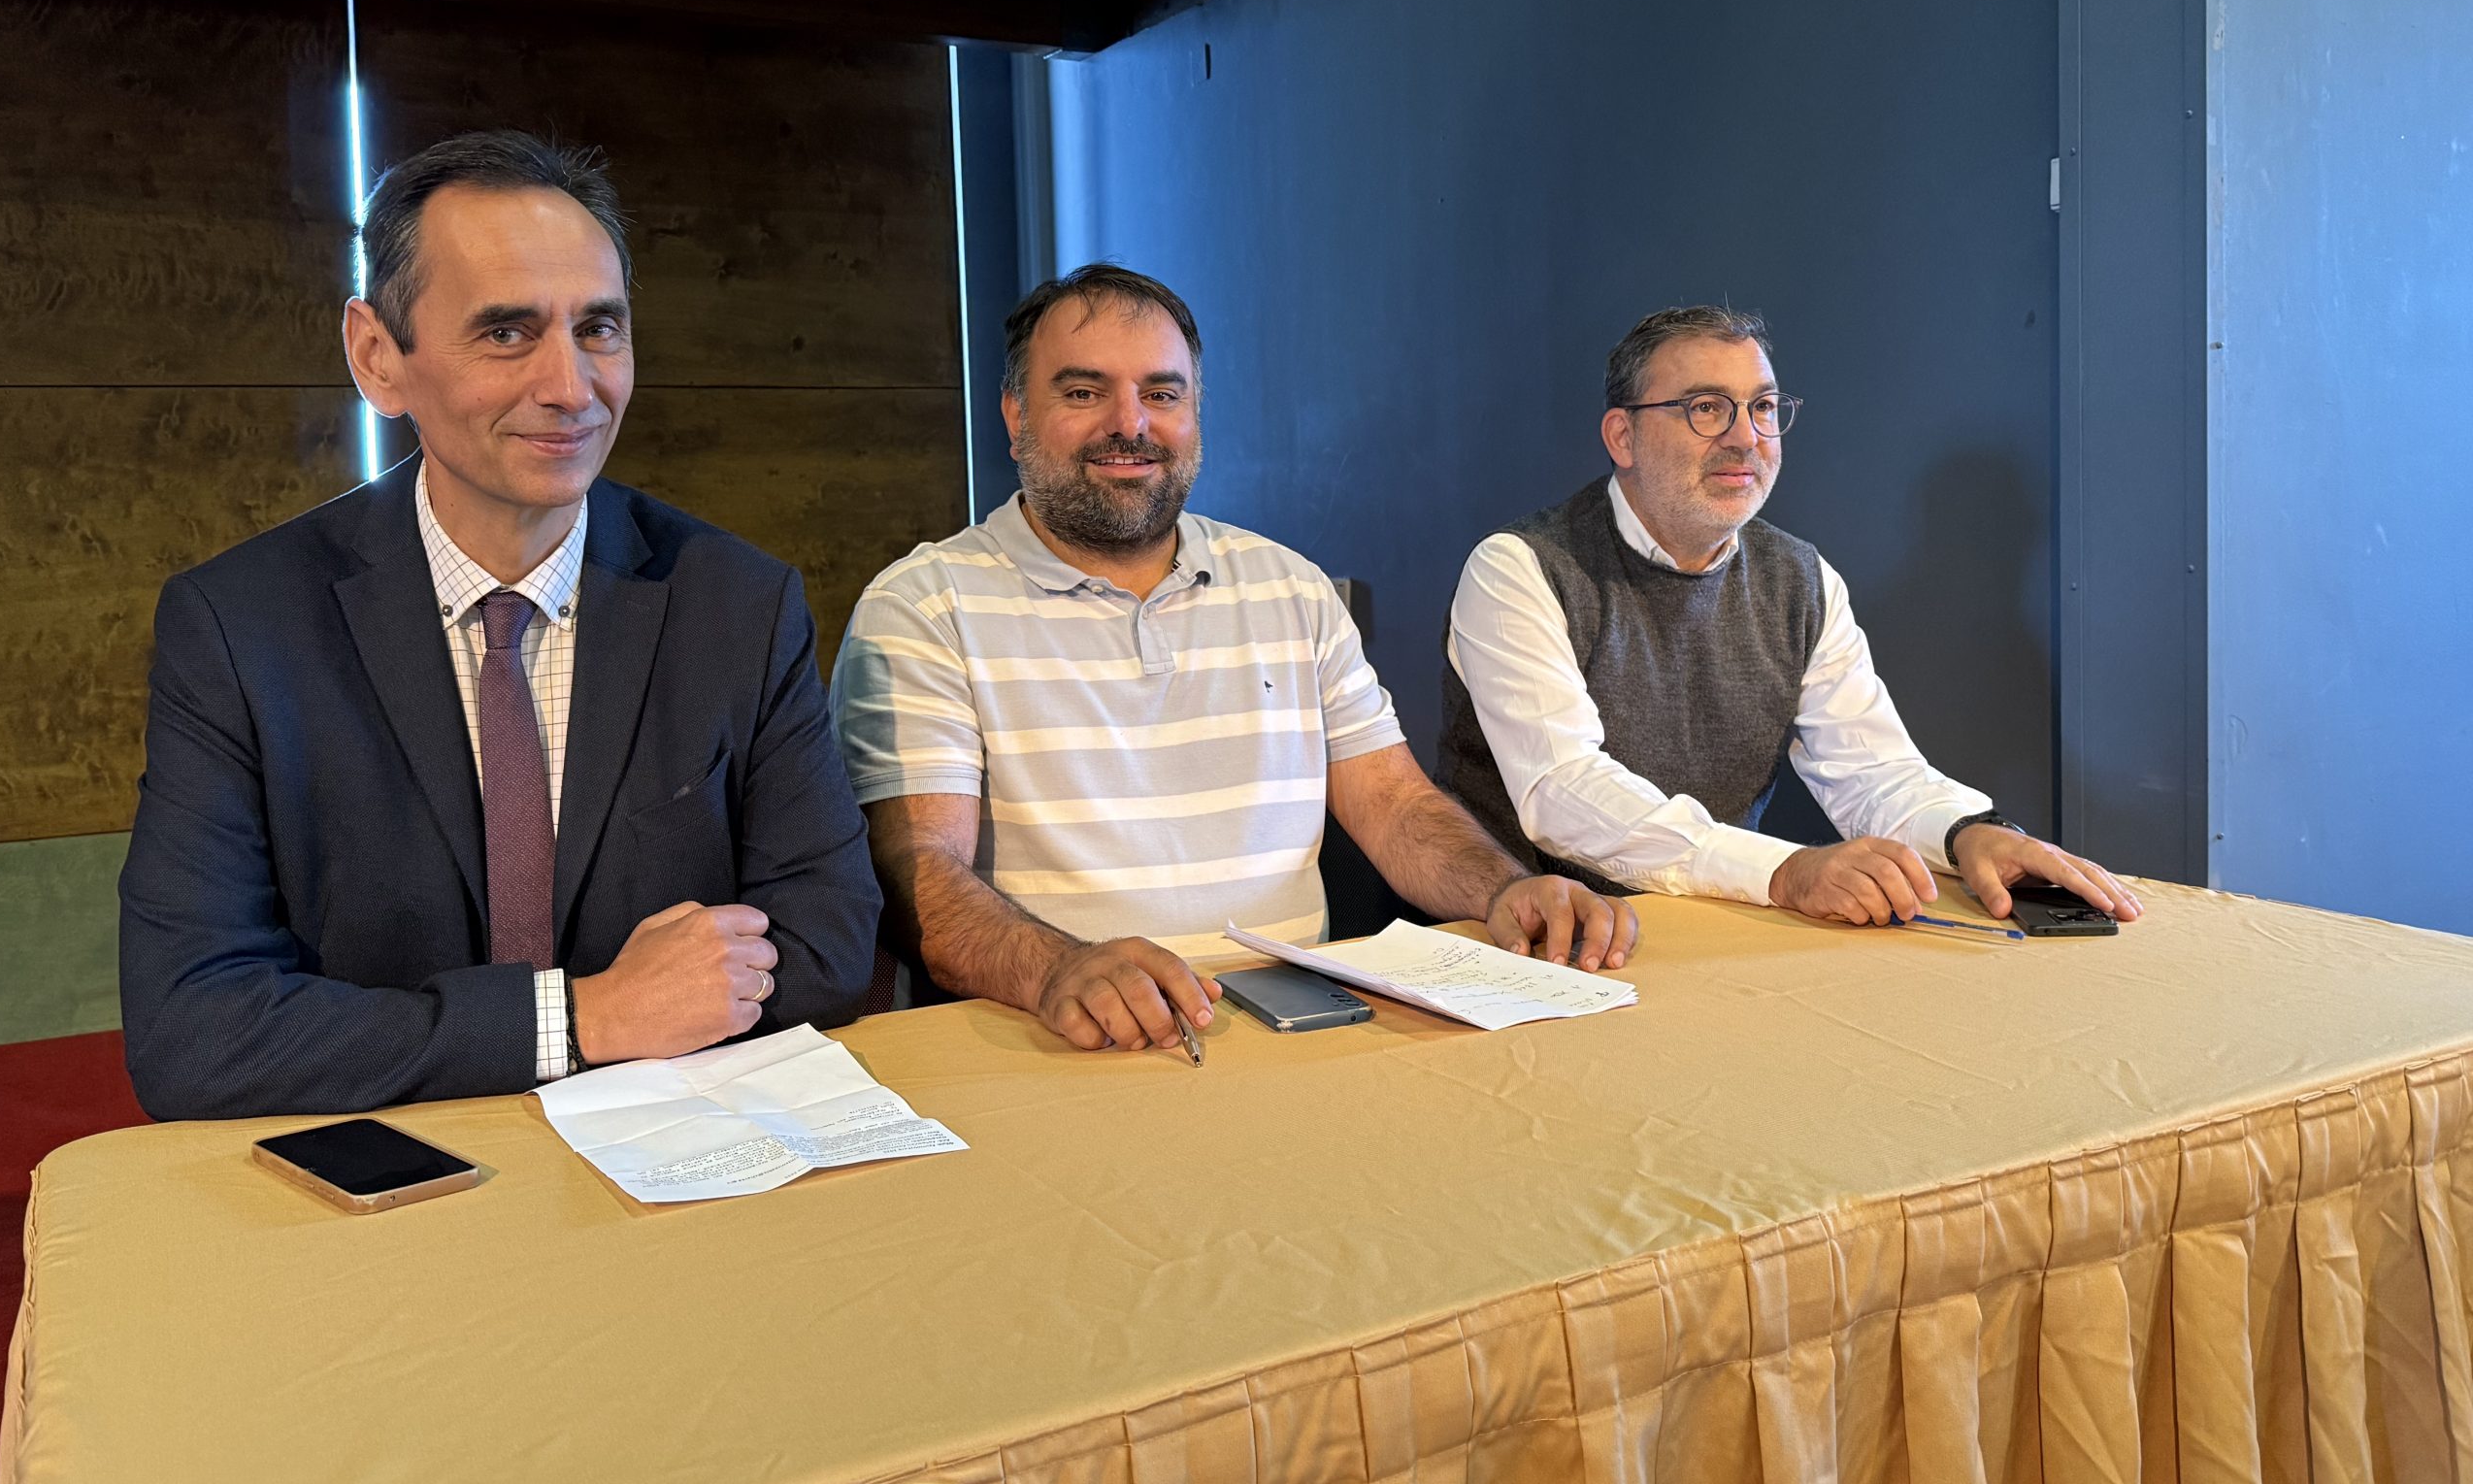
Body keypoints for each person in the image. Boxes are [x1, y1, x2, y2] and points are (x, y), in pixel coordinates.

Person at [116, 131, 882, 1121]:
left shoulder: (738, 603)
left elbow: (829, 943)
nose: (571, 387)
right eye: (507, 333)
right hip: (397, 1169)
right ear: (378, 358)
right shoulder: (240, 626)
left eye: (598, 328)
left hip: (682, 1155)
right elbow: (192, 1033)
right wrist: (580, 1018)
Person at [833, 265, 1637, 1055]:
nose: (1129, 423)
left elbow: (1393, 804)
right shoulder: (923, 607)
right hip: (1063, 1041)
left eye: (1162, 394)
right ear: (1015, 416)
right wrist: (1057, 970)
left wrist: (1506, 890)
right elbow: (916, 868)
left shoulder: (1291, 587)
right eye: (1082, 393)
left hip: (1302, 1036)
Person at [1437, 304, 2139, 929]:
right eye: (1707, 408)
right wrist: (1782, 871)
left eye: (1764, 407)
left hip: (1715, 932)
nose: (1746, 437)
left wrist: (1971, 833)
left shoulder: (1802, 579)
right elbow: (1564, 793)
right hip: (1523, 949)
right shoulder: (1520, 568)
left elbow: (1872, 772)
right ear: (1623, 437)